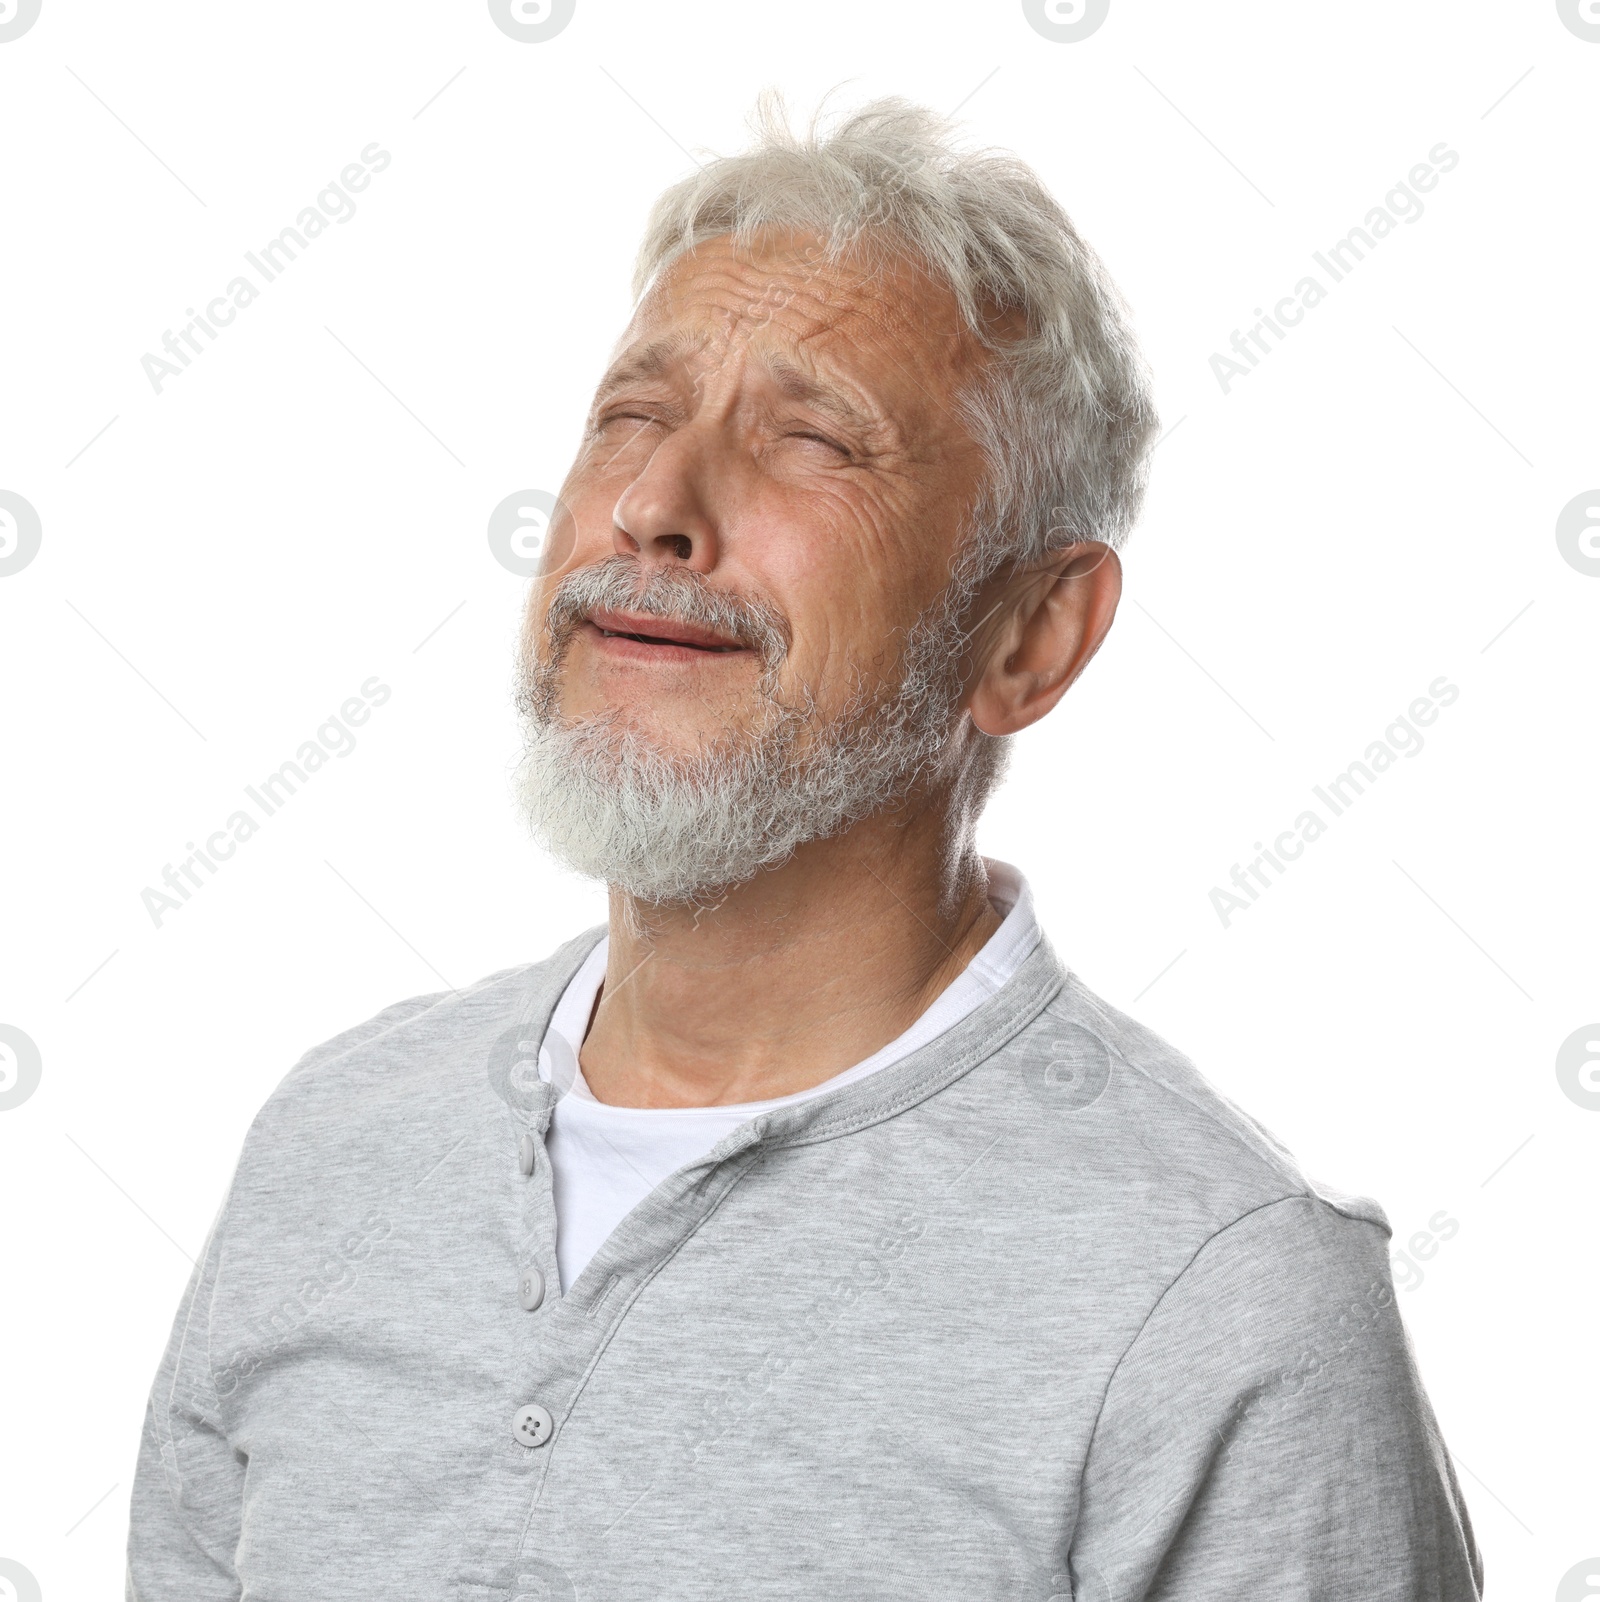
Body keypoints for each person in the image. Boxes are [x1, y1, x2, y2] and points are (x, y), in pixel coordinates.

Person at [127, 96, 1483, 1601]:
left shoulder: (1228, 1303)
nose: (654, 506)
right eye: (631, 416)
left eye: (813, 438)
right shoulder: (333, 1142)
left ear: (1030, 636)